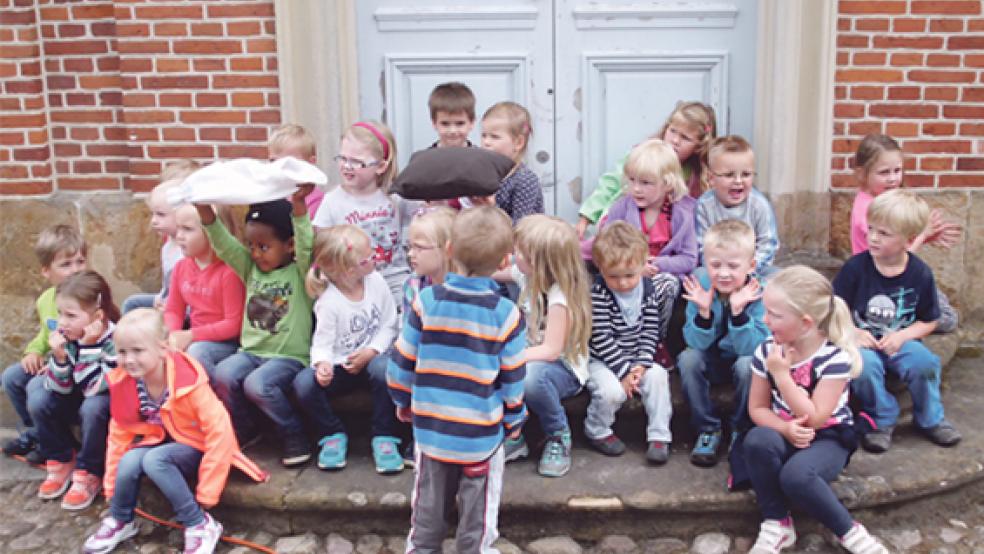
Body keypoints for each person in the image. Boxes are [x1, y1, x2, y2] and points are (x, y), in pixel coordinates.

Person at [388, 205, 526, 553]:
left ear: (448, 249)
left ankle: (422, 549)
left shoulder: (427, 301)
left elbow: (401, 362)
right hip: (480, 434)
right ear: (504, 262)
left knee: (428, 506)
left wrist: (403, 402)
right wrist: (513, 419)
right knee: (477, 513)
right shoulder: (506, 315)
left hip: (432, 429)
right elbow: (513, 378)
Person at [83, 309, 268, 554]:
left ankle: (199, 523)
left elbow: (219, 431)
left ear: (163, 349)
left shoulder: (188, 381)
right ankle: (120, 518)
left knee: (154, 460)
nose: (129, 360)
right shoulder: (125, 382)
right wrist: (111, 488)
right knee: (129, 459)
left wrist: (208, 490)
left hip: (195, 445)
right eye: (122, 352)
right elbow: (119, 436)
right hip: (161, 440)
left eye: (138, 351)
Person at [742, 265, 889, 554]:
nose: (764, 319)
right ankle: (777, 523)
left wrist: (782, 376)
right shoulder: (767, 352)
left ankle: (850, 532)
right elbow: (757, 408)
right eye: (766, 311)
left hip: (828, 437)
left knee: (796, 476)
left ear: (806, 323)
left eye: (774, 314)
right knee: (757, 440)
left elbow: (816, 417)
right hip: (785, 431)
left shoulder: (835, 358)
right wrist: (783, 428)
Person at [833, 189, 961, 453]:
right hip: (864, 341)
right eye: (871, 230)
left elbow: (930, 320)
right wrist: (853, 332)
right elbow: (834, 308)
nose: (873, 238)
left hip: (901, 339)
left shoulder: (920, 273)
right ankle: (881, 419)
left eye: (884, 233)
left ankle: (930, 418)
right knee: (862, 367)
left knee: (925, 364)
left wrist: (903, 336)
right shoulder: (856, 268)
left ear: (910, 240)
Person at [196, 185, 315, 467]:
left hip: (288, 357)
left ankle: (294, 435)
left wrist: (299, 205)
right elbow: (223, 244)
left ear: (289, 245)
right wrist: (203, 209)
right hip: (251, 352)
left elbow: (306, 241)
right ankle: (245, 430)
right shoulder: (250, 269)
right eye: (251, 246)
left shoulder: (300, 272)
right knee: (223, 372)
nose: (256, 253)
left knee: (258, 385)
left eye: (264, 247)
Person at [292, 225, 402, 473]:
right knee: (304, 383)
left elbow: (389, 324)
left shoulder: (376, 281)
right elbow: (322, 342)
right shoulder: (329, 302)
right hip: (341, 365)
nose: (374, 258)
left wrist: (372, 351)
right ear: (347, 270)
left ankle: (384, 436)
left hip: (373, 360)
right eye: (367, 258)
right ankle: (331, 432)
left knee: (385, 370)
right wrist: (323, 365)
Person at [581, 137, 698, 356]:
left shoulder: (682, 213)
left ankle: (656, 342)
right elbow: (604, 248)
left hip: (658, 278)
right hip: (623, 273)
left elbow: (689, 258)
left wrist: (658, 264)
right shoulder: (622, 208)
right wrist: (635, 267)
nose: (636, 189)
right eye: (632, 180)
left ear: (668, 183)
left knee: (668, 284)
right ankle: (609, 341)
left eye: (646, 183)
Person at [499, 214, 592, 477]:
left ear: (540, 264)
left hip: (562, 367)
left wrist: (509, 355)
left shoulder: (560, 297)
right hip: (531, 356)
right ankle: (514, 435)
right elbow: (489, 271)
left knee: (530, 379)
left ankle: (557, 435)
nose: (514, 255)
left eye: (520, 253)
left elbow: (551, 350)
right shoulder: (525, 275)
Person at [849, 133, 960, 333]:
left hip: (890, 274)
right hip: (878, 278)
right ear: (862, 173)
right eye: (884, 172)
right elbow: (894, 254)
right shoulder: (870, 208)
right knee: (947, 317)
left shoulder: (881, 201)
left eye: (897, 170)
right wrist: (923, 236)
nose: (893, 179)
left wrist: (925, 235)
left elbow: (898, 242)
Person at [679, 219, 768, 467]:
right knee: (688, 359)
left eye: (733, 265)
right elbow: (694, 341)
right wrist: (704, 313)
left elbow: (752, 349)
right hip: (712, 358)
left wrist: (739, 313)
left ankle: (741, 428)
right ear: (705, 262)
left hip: (743, 359)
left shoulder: (760, 292)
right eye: (715, 265)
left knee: (747, 363)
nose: (723, 273)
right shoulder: (701, 285)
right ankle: (708, 428)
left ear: (751, 265)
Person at [29, 270, 119, 510]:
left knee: (93, 406)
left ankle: (90, 470)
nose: (62, 322)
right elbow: (59, 388)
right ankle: (61, 458)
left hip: (104, 405)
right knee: (39, 394)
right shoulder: (69, 337)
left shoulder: (115, 341)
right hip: (76, 398)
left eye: (70, 315)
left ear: (97, 316)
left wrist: (88, 348)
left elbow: (94, 388)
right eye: (60, 313)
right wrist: (59, 358)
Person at [586, 222, 673, 465]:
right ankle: (597, 428)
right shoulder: (599, 293)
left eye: (630, 275)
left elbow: (650, 329)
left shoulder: (647, 289)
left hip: (637, 358)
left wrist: (642, 364)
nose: (623, 283)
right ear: (600, 269)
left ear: (643, 264)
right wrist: (624, 371)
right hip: (602, 360)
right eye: (613, 276)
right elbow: (600, 337)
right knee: (610, 392)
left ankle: (659, 434)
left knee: (657, 377)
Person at [2, 224, 86, 465]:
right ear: (46, 271)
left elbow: (94, 344)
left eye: (80, 262)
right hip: (56, 361)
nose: (75, 270)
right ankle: (38, 433)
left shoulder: (91, 296)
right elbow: (45, 333)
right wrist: (34, 351)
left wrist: (54, 365)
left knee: (37, 386)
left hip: (80, 368)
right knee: (12, 377)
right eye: (66, 264)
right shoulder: (45, 300)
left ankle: (57, 448)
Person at [576, 101, 716, 238]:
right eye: (672, 131)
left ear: (699, 146)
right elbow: (611, 182)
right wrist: (586, 217)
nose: (675, 140)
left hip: (663, 239)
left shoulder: (697, 176)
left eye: (685, 138)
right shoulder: (643, 155)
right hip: (623, 228)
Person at [312, 120, 414, 307]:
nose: (347, 166)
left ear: (381, 166)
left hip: (395, 282)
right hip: (354, 286)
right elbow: (322, 248)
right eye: (343, 158)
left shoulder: (395, 198)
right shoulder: (332, 202)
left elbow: (413, 234)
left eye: (357, 162)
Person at [163, 204, 245, 380]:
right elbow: (174, 310)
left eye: (187, 229)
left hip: (225, 343)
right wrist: (171, 336)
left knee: (197, 351)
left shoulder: (229, 272)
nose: (179, 236)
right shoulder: (181, 268)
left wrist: (191, 335)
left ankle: (212, 400)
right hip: (194, 335)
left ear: (211, 232)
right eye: (178, 228)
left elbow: (234, 324)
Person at [121, 160, 199, 313]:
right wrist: (161, 296)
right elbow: (168, 283)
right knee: (132, 303)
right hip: (170, 299)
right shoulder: (168, 241)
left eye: (161, 214)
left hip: (190, 307)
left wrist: (172, 306)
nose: (153, 221)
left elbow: (197, 291)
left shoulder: (193, 247)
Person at [695, 136, 780, 275]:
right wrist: (718, 270)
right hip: (717, 272)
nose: (738, 181)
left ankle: (755, 296)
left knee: (777, 276)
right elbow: (701, 246)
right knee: (698, 275)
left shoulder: (759, 205)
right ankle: (714, 296)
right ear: (711, 179)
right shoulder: (704, 206)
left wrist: (748, 271)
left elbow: (768, 244)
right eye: (729, 175)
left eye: (746, 174)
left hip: (752, 270)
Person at [480, 101, 544, 223]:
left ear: (518, 142)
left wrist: (492, 208)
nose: (486, 142)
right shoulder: (485, 174)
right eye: (484, 135)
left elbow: (521, 227)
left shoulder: (524, 180)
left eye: (494, 137)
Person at [269, 123, 325, 218]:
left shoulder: (316, 200)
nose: (278, 168)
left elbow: (307, 232)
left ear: (310, 163)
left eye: (287, 163)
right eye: (273, 161)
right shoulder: (269, 193)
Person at [428, 81, 476, 148]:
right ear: (434, 123)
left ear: (472, 123)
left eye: (460, 123)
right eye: (445, 123)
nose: (452, 131)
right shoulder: (424, 158)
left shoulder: (482, 157)